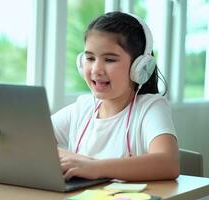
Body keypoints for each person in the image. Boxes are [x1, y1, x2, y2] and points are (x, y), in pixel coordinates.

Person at [51, 11, 179, 182]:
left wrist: (94, 167)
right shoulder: (82, 108)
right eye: (90, 58)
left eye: (110, 59)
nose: (96, 69)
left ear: (139, 67)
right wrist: (78, 161)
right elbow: (30, 138)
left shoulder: (150, 108)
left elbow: (168, 164)